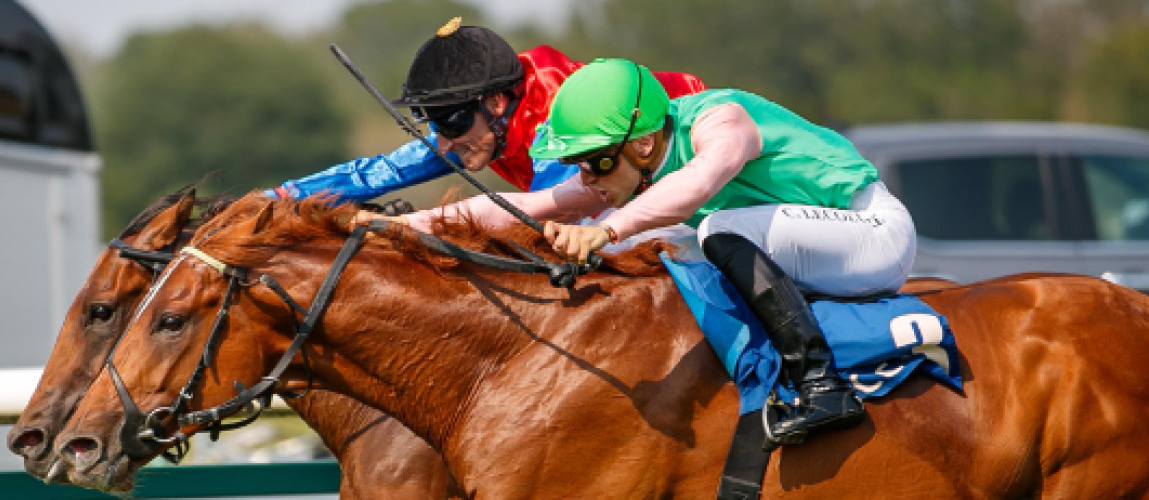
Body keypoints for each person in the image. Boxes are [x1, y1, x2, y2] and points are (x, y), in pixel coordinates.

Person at [361, 58, 917, 445]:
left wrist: (604, 228)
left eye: (595, 162)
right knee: (645, 244)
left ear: (643, 143)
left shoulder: (721, 121)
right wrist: (394, 227)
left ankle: (823, 388)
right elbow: (522, 205)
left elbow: (697, 187)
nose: (586, 176)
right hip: (809, 243)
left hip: (872, 234)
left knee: (709, 228)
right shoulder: (634, 161)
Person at [267, 19, 706, 201]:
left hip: (705, 165)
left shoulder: (554, 113)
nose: (443, 141)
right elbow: (381, 173)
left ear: (496, 101)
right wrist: (276, 200)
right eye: (433, 123)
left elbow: (549, 210)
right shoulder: (478, 124)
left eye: (451, 121)